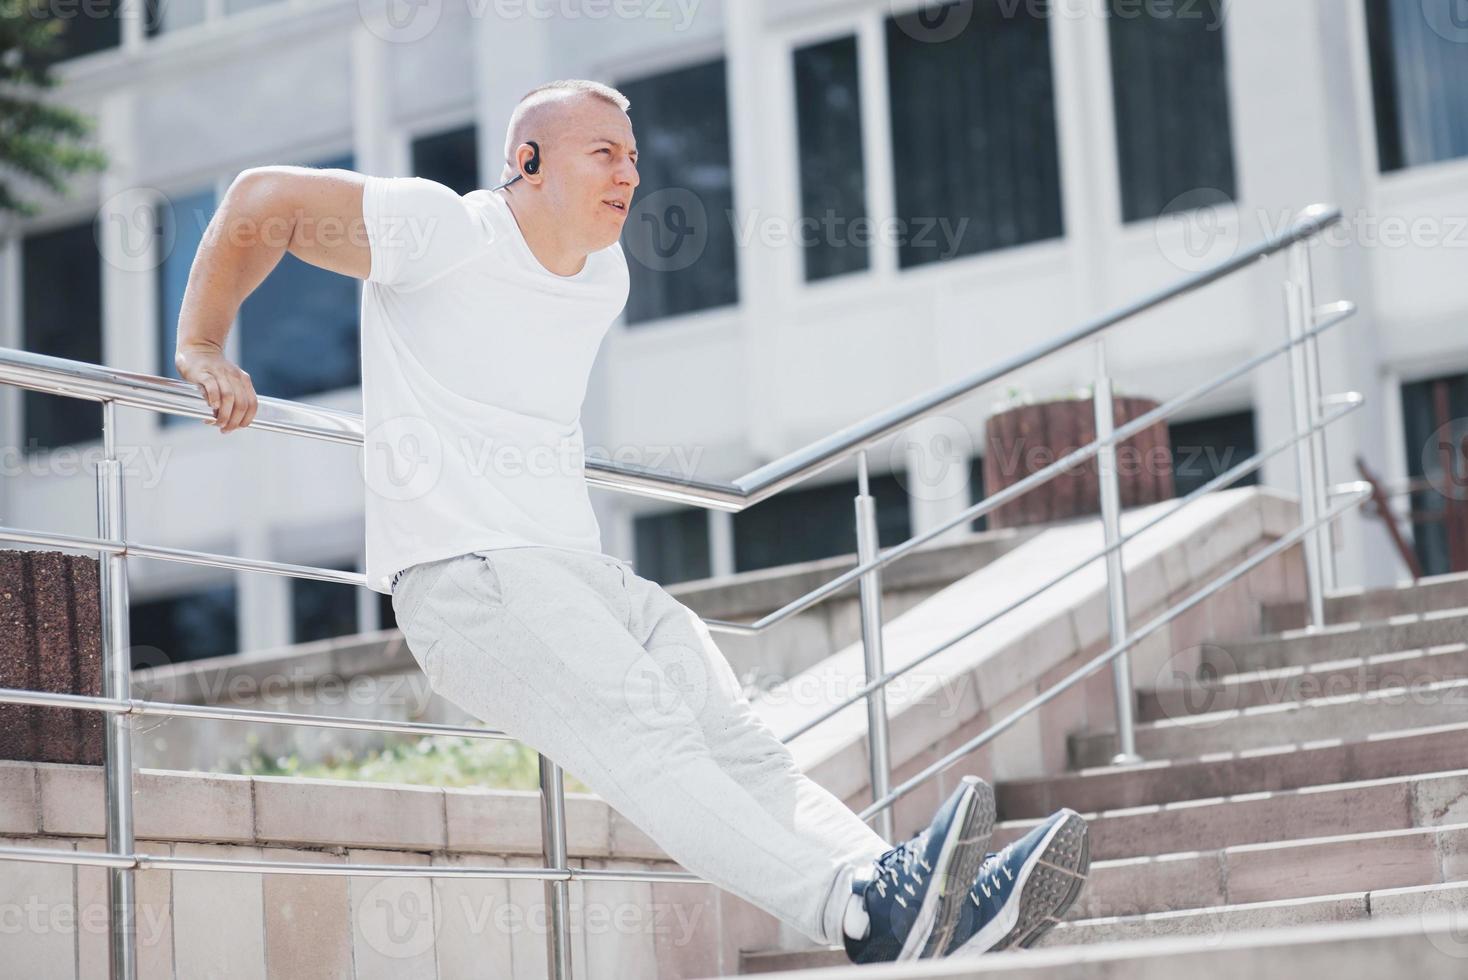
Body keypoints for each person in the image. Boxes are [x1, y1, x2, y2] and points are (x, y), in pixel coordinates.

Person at [172, 77, 1090, 962]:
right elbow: (262, 202)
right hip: (472, 577)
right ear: (526, 161)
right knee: (652, 741)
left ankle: (911, 897)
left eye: (635, 157)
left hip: (582, 573)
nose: (631, 174)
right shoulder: (443, 228)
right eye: (603, 152)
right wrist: (206, 345)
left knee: (745, 748)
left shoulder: (601, 274)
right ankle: (857, 913)